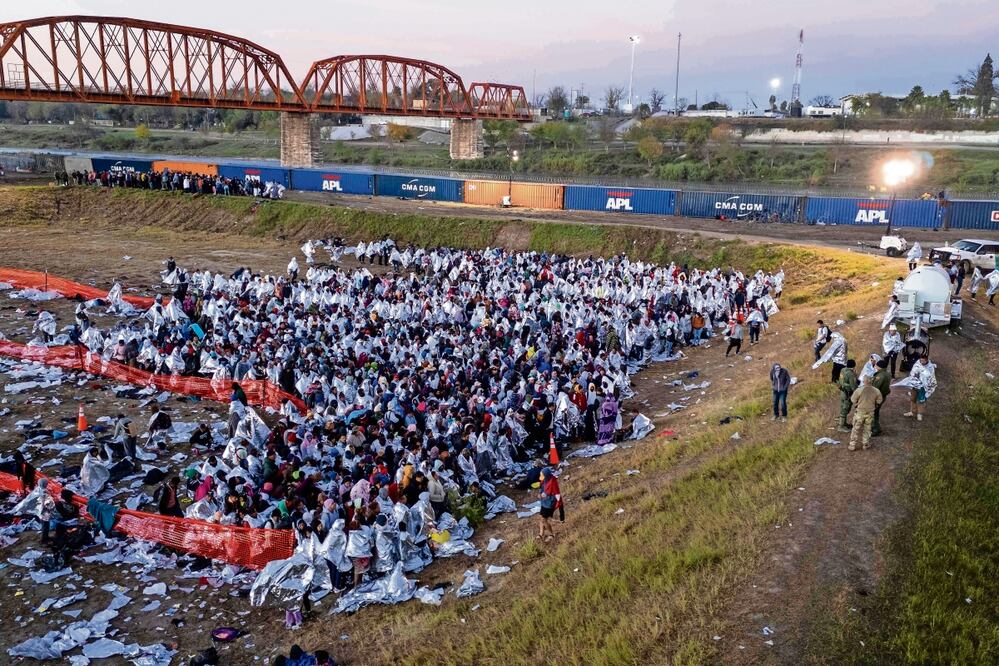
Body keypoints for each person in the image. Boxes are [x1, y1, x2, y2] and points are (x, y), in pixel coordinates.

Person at [849, 374, 884, 451]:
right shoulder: (876, 390)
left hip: (860, 412)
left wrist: (858, 402)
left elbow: (853, 400)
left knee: (855, 428)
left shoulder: (859, 390)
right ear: (872, 381)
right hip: (870, 412)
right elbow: (879, 401)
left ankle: (852, 445)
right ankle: (865, 444)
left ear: (864, 381)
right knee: (867, 429)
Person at [904, 354, 937, 422]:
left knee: (921, 401)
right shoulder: (917, 363)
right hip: (915, 385)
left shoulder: (930, 367)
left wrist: (924, 378)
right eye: (921, 360)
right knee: (912, 399)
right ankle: (911, 412)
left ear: (926, 360)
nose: (921, 362)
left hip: (923, 387)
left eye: (923, 361)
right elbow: (912, 372)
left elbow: (931, 377)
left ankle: (919, 414)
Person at [537, 467, 563, 541]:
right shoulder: (544, 481)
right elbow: (542, 489)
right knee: (541, 517)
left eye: (542, 475)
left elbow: (556, 495)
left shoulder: (552, 482)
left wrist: (545, 495)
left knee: (543, 520)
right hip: (544, 502)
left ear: (546, 475)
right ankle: (541, 534)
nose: (541, 477)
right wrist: (540, 494)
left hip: (549, 504)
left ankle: (551, 534)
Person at [870, 358, 892, 437]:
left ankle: (875, 429)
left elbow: (875, 388)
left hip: (877, 397)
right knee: (876, 412)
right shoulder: (887, 374)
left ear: (880, 367)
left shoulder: (880, 376)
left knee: (873, 412)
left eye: (876, 365)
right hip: (883, 396)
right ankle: (877, 427)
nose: (875, 366)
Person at [837, 359, 858, 432]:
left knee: (843, 407)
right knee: (845, 409)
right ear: (853, 366)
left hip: (843, 392)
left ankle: (843, 423)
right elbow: (853, 386)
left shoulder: (843, 370)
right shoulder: (851, 374)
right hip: (848, 394)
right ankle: (841, 426)